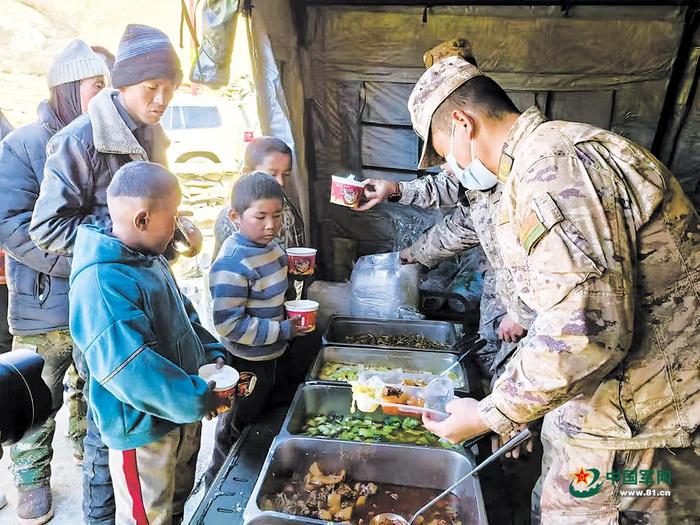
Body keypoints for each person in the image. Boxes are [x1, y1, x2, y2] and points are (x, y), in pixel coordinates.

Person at [398, 56, 698, 523]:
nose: (447, 167)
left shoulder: (554, 169)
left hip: (638, 438)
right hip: (603, 420)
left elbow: (585, 332)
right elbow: (557, 306)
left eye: (440, 151)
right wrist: (513, 406)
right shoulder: (538, 163)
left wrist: (489, 414)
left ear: (461, 122)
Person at [29, 24, 183, 524]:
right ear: (121, 85)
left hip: (149, 288)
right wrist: (121, 236)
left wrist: (175, 228)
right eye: (150, 88)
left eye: (170, 88)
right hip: (104, 300)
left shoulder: (153, 133)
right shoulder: (79, 141)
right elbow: (47, 227)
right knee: (107, 427)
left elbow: (153, 202)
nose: (161, 100)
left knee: (144, 423)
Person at [69, 161, 226, 524]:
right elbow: (130, 368)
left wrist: (210, 353)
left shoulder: (149, 258)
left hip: (181, 412)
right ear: (142, 219)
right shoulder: (102, 282)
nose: (178, 226)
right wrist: (196, 397)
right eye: (172, 216)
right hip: (143, 431)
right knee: (146, 515)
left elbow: (184, 314)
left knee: (174, 504)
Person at [0, 40, 108, 525]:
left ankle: (85, 451)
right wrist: (82, 261)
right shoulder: (23, 144)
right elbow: (13, 224)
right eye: (96, 86)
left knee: (90, 386)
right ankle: (31, 479)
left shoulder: (107, 137)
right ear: (68, 89)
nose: (105, 96)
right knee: (36, 396)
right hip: (43, 305)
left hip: (96, 297)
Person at [205, 172, 305, 486]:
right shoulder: (234, 262)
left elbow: (275, 295)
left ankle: (261, 476)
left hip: (276, 353)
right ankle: (217, 484)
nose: (271, 225)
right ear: (235, 217)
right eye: (260, 216)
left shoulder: (273, 248)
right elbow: (229, 324)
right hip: (247, 363)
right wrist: (283, 330)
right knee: (236, 426)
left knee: (268, 418)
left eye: (277, 216)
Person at [212, 136, 305, 260]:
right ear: (247, 172)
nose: (281, 182)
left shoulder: (286, 206)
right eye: (272, 174)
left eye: (286, 174)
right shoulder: (231, 218)